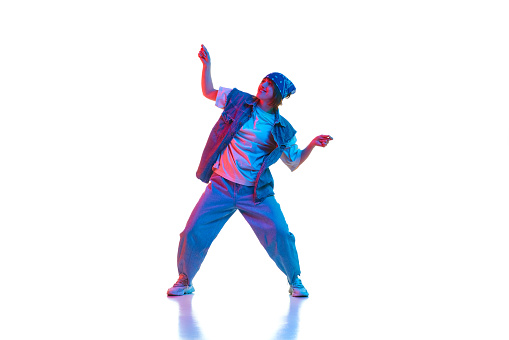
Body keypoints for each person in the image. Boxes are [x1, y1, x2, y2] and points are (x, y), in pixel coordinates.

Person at [167, 45, 332, 297]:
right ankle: (185, 279)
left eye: (269, 85)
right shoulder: (239, 101)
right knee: (193, 231)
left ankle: (294, 279)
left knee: (279, 233)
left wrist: (312, 144)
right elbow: (209, 92)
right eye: (263, 80)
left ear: (276, 95)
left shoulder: (282, 128)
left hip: (255, 193)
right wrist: (207, 66)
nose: (263, 85)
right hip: (221, 185)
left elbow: (294, 161)